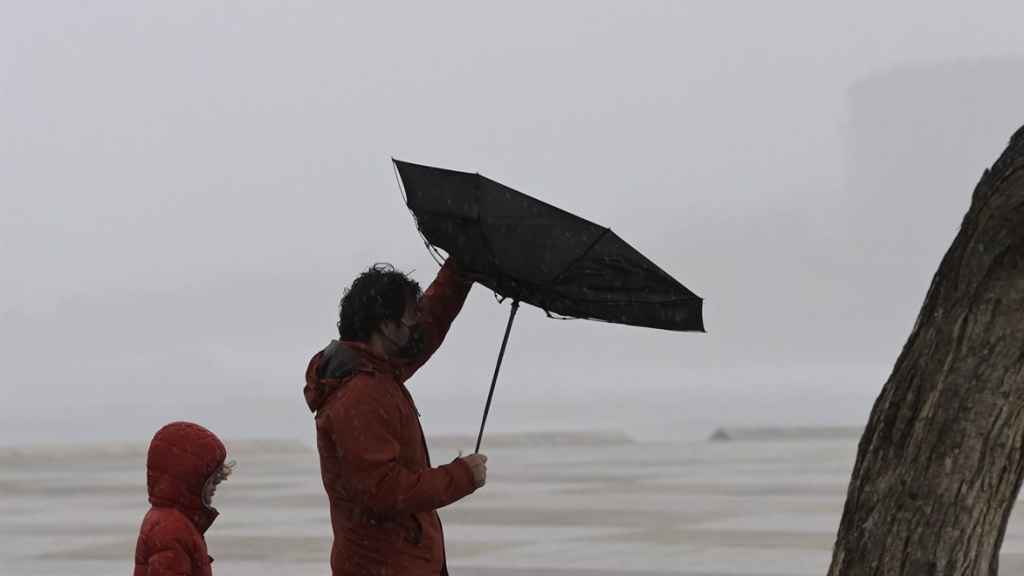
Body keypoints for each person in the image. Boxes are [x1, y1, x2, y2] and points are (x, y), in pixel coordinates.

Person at [304, 257, 488, 576]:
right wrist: (461, 476)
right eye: (408, 319)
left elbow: (429, 325)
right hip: (384, 566)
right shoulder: (360, 395)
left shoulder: (376, 373)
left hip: (401, 561)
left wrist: (460, 270)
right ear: (386, 327)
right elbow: (383, 490)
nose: (416, 325)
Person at [133, 421, 235, 576]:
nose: (215, 486)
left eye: (218, 479)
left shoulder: (176, 522)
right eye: (211, 480)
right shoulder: (170, 529)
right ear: (189, 479)